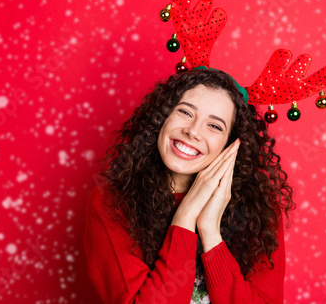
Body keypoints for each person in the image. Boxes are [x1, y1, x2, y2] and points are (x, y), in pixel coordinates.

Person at [84, 68, 295, 304]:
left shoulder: (261, 211)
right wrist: (185, 217)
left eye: (215, 126)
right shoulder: (112, 201)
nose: (192, 131)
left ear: (232, 144)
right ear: (161, 117)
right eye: (185, 112)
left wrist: (209, 231)